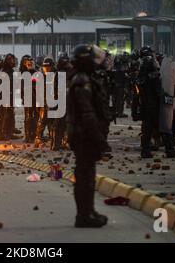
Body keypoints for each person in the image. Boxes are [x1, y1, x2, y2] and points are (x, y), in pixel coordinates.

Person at [66, 44, 109, 228]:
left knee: (87, 176)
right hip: (85, 136)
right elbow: (87, 114)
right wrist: (99, 139)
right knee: (84, 177)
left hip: (85, 135)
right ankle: (83, 215)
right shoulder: (81, 81)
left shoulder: (85, 78)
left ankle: (88, 211)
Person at [138, 55, 175, 158]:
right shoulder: (155, 76)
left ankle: (145, 150)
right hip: (156, 107)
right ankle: (170, 150)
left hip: (145, 107)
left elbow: (137, 94)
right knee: (165, 129)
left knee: (147, 131)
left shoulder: (140, 78)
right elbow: (158, 93)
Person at [49, 51, 71, 151]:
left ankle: (64, 142)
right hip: (60, 100)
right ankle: (56, 143)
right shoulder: (56, 72)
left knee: (66, 123)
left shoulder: (70, 71)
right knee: (58, 123)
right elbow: (53, 88)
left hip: (67, 100)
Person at [0, 53, 21, 141]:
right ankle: (4, 134)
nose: (14, 62)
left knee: (9, 114)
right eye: (12, 60)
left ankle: (8, 133)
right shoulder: (5, 71)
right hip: (5, 96)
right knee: (5, 115)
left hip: (8, 95)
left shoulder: (9, 70)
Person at [34, 57, 55, 148]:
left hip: (52, 101)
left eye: (48, 66)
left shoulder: (55, 75)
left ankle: (51, 136)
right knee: (42, 120)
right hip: (43, 101)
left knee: (52, 121)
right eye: (45, 66)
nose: (46, 68)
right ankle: (38, 137)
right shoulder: (40, 76)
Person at [20, 55, 38, 143]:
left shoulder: (37, 74)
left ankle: (34, 135)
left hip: (35, 99)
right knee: (28, 118)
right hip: (28, 99)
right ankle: (28, 136)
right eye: (28, 64)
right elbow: (22, 88)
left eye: (31, 63)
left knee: (35, 117)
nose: (30, 64)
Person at [112, 53, 129, 118]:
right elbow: (124, 77)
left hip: (116, 86)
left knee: (116, 99)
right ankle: (119, 112)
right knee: (119, 99)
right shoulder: (121, 68)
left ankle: (116, 112)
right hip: (119, 85)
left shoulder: (113, 67)